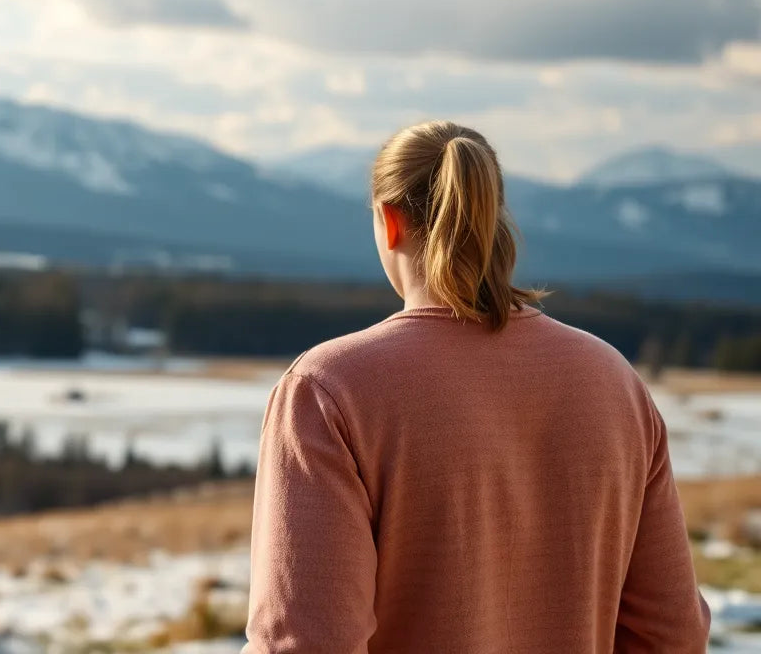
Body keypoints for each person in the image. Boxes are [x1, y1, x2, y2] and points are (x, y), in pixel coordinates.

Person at [243, 121, 710, 653]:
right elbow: (672, 635)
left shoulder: (328, 390)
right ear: (492, 218)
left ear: (389, 222)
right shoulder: (614, 381)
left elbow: (304, 643)